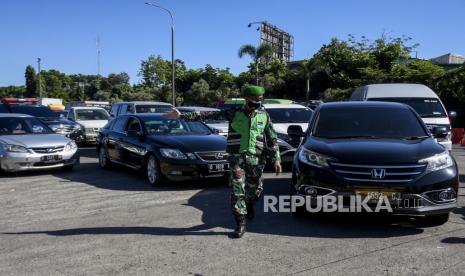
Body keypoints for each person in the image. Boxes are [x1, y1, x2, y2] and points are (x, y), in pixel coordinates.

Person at [166, 85, 281, 238]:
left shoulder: (264, 116)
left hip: (256, 160)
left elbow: (272, 138)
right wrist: (181, 116)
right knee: (237, 190)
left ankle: (249, 204)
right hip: (236, 159)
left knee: (255, 190)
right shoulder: (233, 113)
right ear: (247, 99)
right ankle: (240, 223)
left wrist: (276, 159)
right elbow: (206, 115)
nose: (258, 102)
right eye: (255, 100)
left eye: (260, 100)